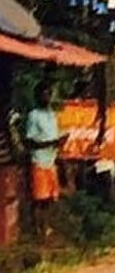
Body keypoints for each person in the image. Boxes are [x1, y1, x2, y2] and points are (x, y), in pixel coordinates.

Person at [25, 82, 66, 237]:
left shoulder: (52, 115)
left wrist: (59, 144)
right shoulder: (33, 116)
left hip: (51, 160)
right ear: (38, 97)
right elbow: (30, 141)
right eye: (44, 94)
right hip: (39, 161)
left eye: (49, 94)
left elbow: (55, 136)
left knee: (49, 198)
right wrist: (50, 143)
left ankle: (46, 226)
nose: (47, 98)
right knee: (39, 198)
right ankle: (36, 228)